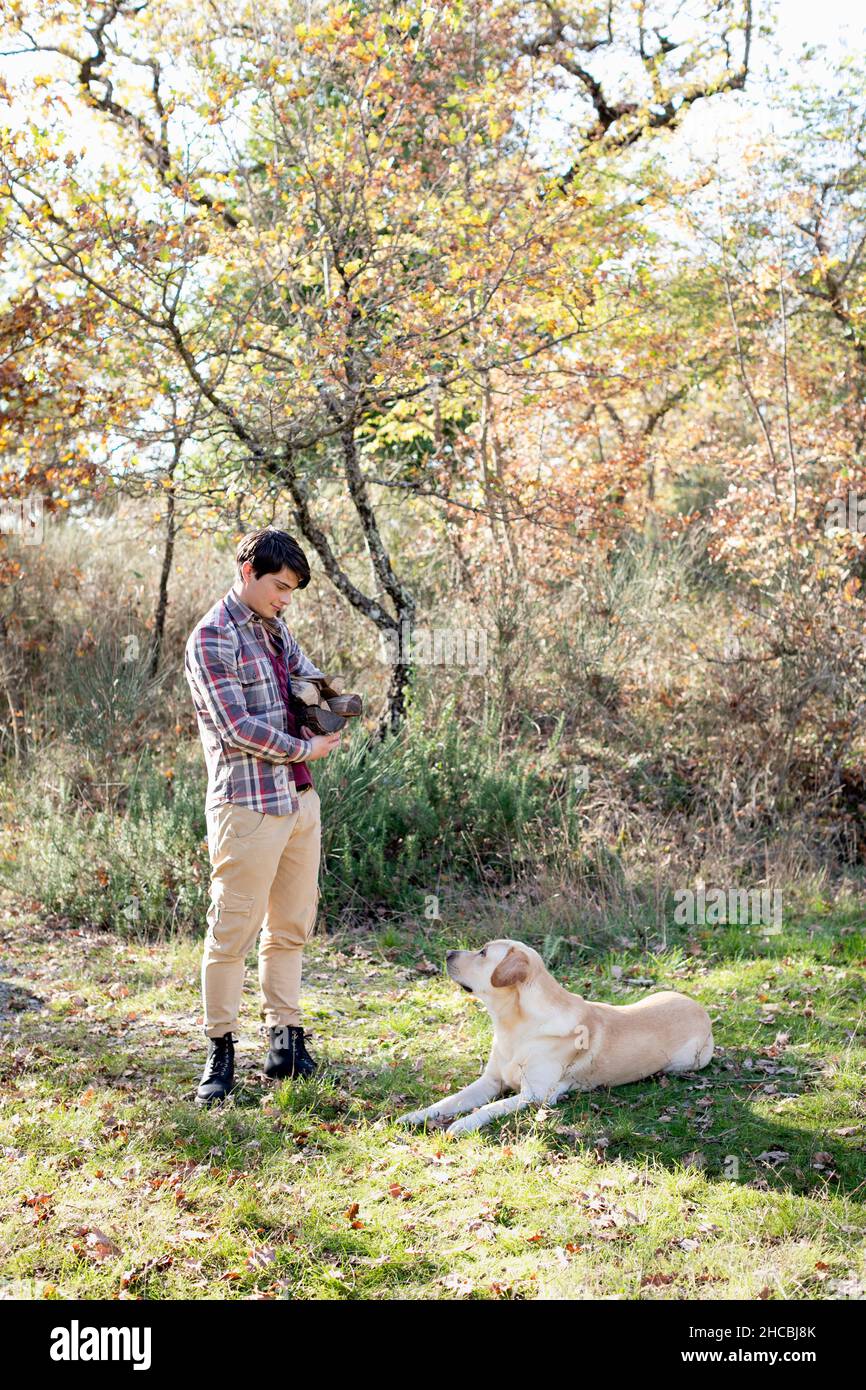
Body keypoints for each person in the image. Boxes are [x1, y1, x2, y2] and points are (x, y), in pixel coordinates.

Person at [184, 527, 342, 1105]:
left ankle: (286, 1043)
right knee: (232, 934)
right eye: (279, 586)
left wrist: (325, 703)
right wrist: (306, 746)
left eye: (293, 590)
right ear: (247, 571)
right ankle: (219, 1053)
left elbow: (308, 680)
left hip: (300, 802)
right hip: (247, 806)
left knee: (291, 928)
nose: (285, 598)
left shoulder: (276, 630)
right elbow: (236, 728)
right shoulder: (211, 638)